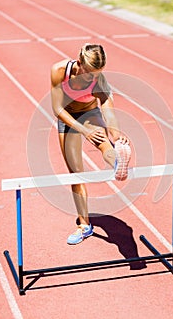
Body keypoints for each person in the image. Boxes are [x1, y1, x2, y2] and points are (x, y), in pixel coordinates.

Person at [51, 43, 131, 245]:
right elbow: (58, 108)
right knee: (76, 172)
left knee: (105, 144)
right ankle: (84, 225)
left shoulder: (99, 79)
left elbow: (108, 109)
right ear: (79, 63)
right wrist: (84, 130)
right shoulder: (60, 71)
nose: (93, 79)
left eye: (97, 75)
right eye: (90, 75)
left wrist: (116, 134)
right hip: (67, 117)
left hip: (90, 113)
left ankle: (118, 161)